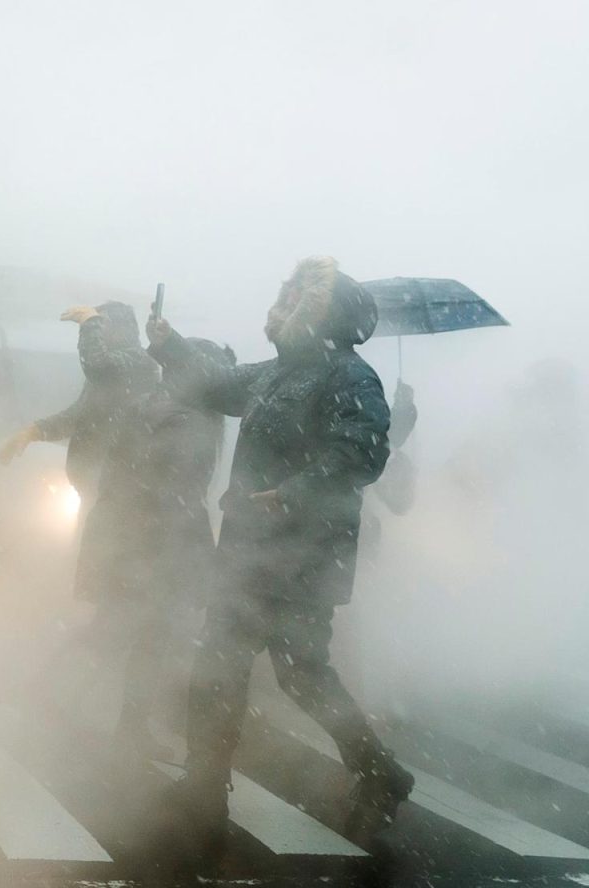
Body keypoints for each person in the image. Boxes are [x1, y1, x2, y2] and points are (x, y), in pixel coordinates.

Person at [146, 256, 413, 853]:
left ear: (323, 315)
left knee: (303, 676)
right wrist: (171, 347)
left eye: (296, 298)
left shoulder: (350, 376)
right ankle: (204, 786)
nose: (282, 304)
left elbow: (363, 453)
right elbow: (214, 384)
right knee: (218, 668)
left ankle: (381, 771)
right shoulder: (278, 372)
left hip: (306, 556)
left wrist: (290, 497)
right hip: (247, 551)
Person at [69, 337, 233, 756]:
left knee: (127, 635)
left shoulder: (158, 405)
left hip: (132, 542)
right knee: (133, 636)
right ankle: (54, 708)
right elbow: (174, 496)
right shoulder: (187, 419)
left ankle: (108, 721)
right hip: (152, 549)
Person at [0, 301, 161, 500]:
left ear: (119, 329)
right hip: (95, 489)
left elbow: (96, 366)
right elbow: (81, 416)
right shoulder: (114, 369)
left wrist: (90, 323)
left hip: (121, 491)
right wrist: (35, 430)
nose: (98, 334)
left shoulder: (137, 362)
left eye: (101, 326)